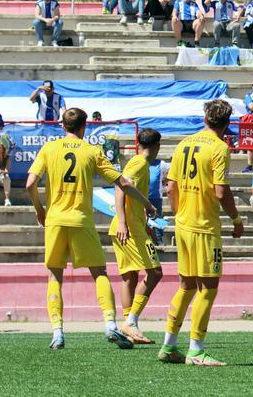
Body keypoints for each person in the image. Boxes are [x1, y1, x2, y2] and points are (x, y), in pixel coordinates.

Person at [26, 108, 155, 350]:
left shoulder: (49, 148)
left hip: (54, 220)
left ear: (62, 126)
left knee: (55, 276)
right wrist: (146, 202)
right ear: (84, 127)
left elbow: (30, 182)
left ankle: (58, 332)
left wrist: (40, 210)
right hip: (81, 220)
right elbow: (123, 183)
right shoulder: (91, 152)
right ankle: (109, 324)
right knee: (99, 273)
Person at [159, 100, 244, 366]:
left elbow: (170, 186)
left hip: (183, 223)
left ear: (206, 117)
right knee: (208, 287)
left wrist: (178, 214)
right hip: (205, 227)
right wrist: (236, 218)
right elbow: (221, 191)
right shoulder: (220, 148)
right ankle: (196, 350)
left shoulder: (184, 143)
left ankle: (169, 345)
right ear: (227, 122)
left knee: (186, 285)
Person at [108, 128, 165, 344]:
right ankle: (131, 322)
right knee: (155, 273)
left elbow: (130, 190)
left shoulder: (138, 164)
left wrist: (144, 212)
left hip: (131, 226)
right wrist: (124, 221)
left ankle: (128, 328)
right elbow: (121, 188)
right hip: (128, 228)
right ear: (157, 146)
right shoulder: (140, 164)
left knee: (130, 276)